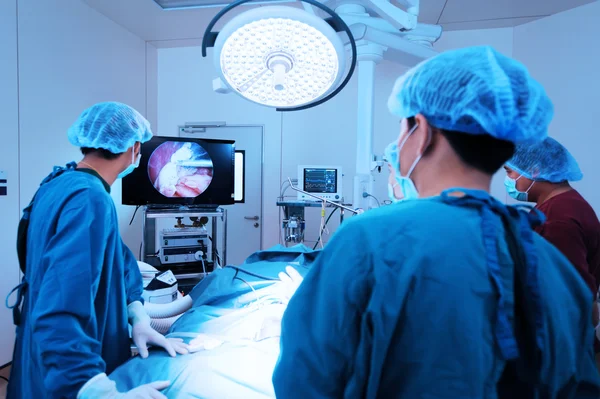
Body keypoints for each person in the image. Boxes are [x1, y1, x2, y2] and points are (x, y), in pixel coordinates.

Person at [272, 46, 600, 397]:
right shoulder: (550, 263)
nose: (399, 143)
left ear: (422, 130)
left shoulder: (367, 240)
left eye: (402, 128)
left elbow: (305, 379)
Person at [6, 102, 189, 399]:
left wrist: (137, 315)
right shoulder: (89, 198)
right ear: (134, 147)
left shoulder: (60, 183)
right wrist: (96, 391)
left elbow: (117, 260)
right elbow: (60, 309)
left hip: (43, 349)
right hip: (65, 365)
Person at [504, 137, 600, 296]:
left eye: (509, 171)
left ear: (535, 171)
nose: (507, 180)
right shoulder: (566, 204)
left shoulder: (557, 218)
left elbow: (571, 292)